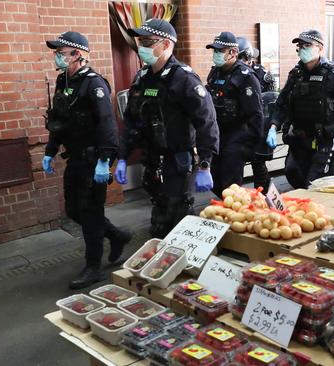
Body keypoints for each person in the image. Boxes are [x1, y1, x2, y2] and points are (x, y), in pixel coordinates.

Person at [115, 19, 219, 238]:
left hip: (178, 158)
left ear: (166, 45)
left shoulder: (184, 79)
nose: (142, 46)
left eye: (148, 41)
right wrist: (123, 157)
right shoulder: (143, 78)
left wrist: (205, 165)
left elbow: (206, 122)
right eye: (140, 41)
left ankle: (186, 260)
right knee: (160, 211)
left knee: (178, 213)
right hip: (152, 157)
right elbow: (132, 120)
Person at [43, 31, 131, 289]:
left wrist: (105, 160)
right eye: (56, 52)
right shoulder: (64, 81)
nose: (57, 56)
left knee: (91, 213)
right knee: (74, 210)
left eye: (62, 52)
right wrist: (50, 149)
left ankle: (94, 267)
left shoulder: (94, 84)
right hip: (76, 159)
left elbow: (107, 125)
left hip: (94, 160)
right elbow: (58, 120)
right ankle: (116, 235)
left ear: (78, 54)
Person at [268, 30, 334, 187]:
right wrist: (273, 127)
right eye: (300, 46)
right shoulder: (296, 74)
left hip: (326, 142)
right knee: (293, 176)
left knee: (316, 185)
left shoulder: (333, 75)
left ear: (320, 48)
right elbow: (282, 103)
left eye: (307, 45)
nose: (302, 49)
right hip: (300, 141)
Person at [205, 32, 264, 195]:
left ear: (233, 53)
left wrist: (250, 146)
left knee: (230, 186)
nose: (216, 54)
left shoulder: (246, 76)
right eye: (214, 51)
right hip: (218, 135)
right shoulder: (215, 73)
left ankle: (234, 215)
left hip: (237, 136)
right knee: (215, 181)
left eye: (219, 51)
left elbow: (256, 115)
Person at [237, 37, 274, 193]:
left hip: (258, 122)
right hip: (239, 122)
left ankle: (264, 193)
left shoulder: (261, 73)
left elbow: (270, 98)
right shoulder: (233, 72)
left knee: (258, 162)